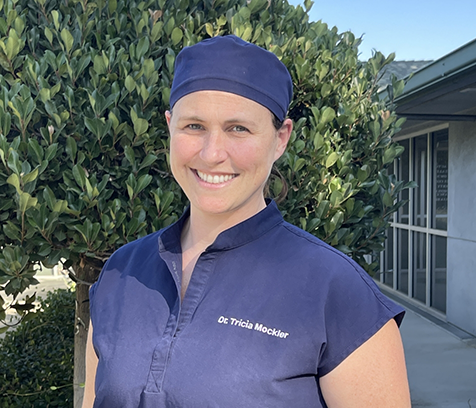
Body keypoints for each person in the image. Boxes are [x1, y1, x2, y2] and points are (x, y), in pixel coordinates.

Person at [82, 35, 411, 408]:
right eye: (194, 126)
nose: (212, 153)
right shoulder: (121, 273)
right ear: (170, 126)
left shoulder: (338, 293)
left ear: (280, 138)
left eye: (238, 128)